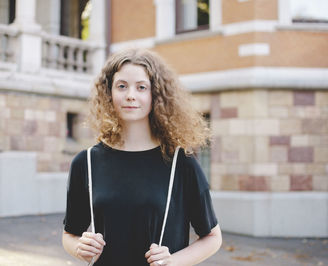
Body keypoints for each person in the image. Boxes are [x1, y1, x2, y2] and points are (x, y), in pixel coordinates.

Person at [62, 48, 222, 266]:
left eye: (141, 87)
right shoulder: (86, 162)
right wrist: (80, 247)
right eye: (121, 86)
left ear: (155, 94)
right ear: (109, 93)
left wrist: (173, 261)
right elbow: (69, 235)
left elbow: (213, 237)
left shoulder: (180, 163)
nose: (130, 95)